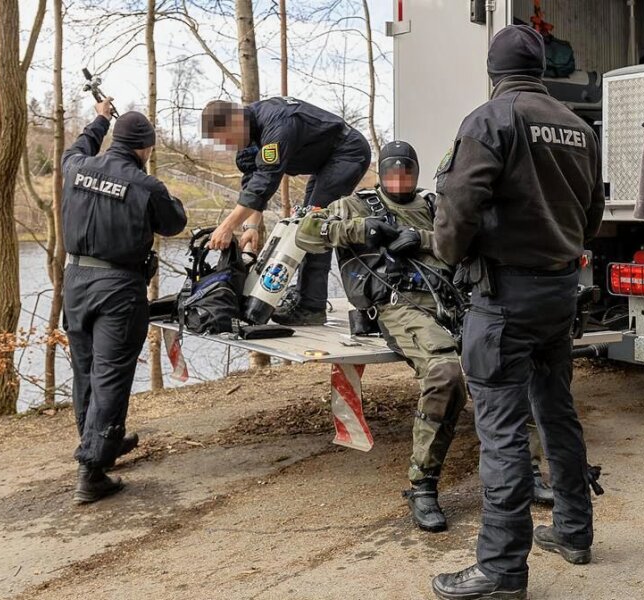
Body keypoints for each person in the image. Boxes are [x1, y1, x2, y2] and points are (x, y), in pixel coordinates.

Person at [429, 25, 605, 599]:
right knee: (557, 411)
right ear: (541, 69)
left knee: (502, 431)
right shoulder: (579, 128)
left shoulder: (490, 120)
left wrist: (448, 256)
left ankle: (503, 571)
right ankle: (574, 532)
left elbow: (457, 210)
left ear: (493, 69)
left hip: (504, 299)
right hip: (559, 293)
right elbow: (592, 214)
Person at [295, 141, 466, 532]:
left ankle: (533, 471)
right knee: (445, 372)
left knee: (512, 361)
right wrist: (363, 229)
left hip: (453, 299)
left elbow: (465, 240)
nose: (400, 179)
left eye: (408, 172)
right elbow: (306, 233)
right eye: (393, 172)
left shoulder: (433, 207)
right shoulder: (357, 205)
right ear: (381, 172)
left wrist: (420, 239)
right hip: (399, 304)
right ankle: (423, 484)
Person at [62, 98, 188, 504]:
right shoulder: (146, 186)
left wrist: (98, 119)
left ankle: (101, 445)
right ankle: (92, 471)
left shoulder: (77, 167)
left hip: (76, 281)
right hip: (118, 286)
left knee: (87, 370)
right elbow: (174, 223)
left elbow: (77, 146)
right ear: (145, 148)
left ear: (114, 138)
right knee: (111, 375)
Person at [200, 97, 372, 325]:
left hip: (347, 152)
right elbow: (252, 181)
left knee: (315, 228)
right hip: (324, 162)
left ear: (236, 121)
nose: (229, 145)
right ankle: (306, 297)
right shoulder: (248, 139)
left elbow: (266, 180)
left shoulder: (277, 124)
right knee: (306, 224)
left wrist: (227, 226)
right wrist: (251, 226)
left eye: (227, 139)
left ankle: (311, 307)